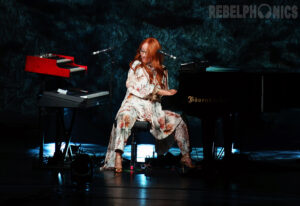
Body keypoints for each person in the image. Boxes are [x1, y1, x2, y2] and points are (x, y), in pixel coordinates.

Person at [101, 37, 195, 173]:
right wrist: (163, 91)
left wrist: (170, 93)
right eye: (142, 51)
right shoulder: (136, 66)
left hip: (153, 109)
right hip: (134, 104)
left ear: (154, 54)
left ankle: (186, 157)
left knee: (179, 120)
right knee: (124, 117)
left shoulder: (163, 70)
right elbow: (135, 87)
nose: (143, 55)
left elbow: (163, 96)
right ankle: (117, 156)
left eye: (146, 52)